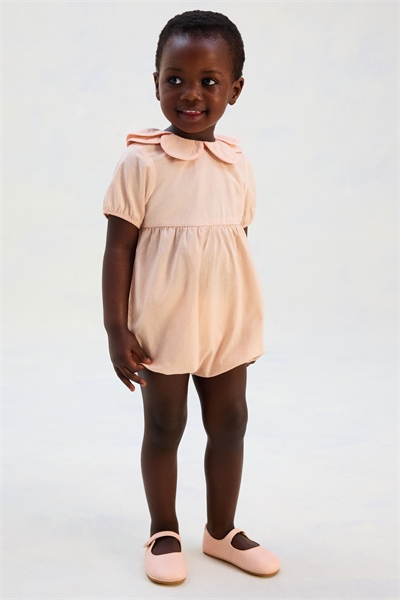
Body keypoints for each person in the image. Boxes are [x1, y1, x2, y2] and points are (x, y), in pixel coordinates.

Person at [102, 9, 280, 585]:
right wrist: (116, 329)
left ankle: (221, 531)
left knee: (231, 422)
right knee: (165, 425)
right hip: (164, 322)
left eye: (209, 81)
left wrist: (239, 315)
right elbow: (119, 249)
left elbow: (235, 241)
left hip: (226, 320)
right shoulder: (140, 162)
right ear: (155, 82)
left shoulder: (237, 161)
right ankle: (164, 530)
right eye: (175, 78)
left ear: (235, 89)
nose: (191, 93)